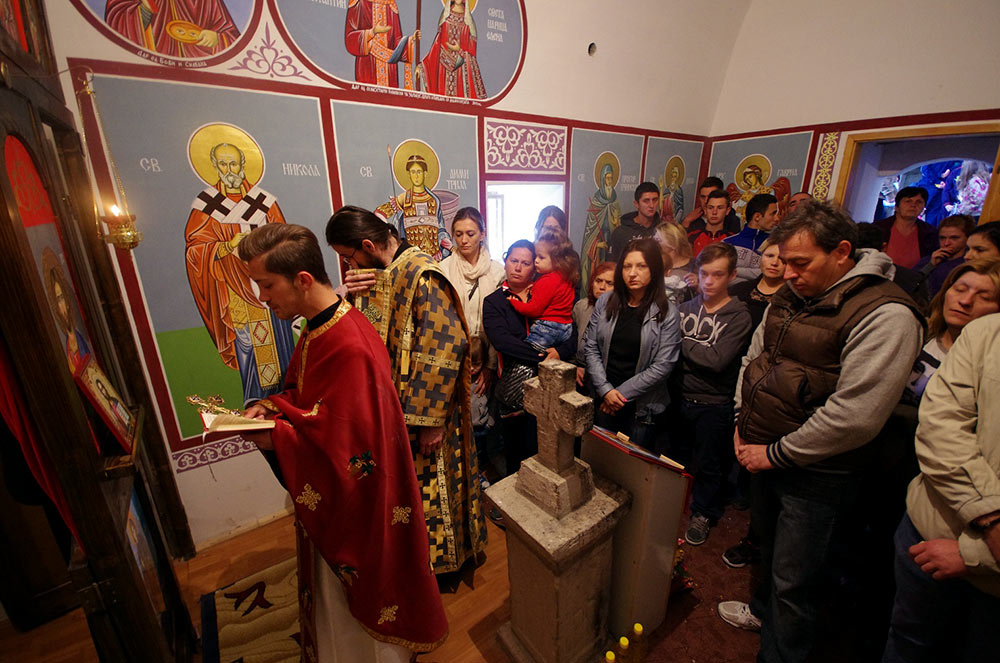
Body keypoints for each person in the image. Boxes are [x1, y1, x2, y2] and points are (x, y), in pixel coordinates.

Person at [719, 200, 924, 662]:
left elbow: (856, 415)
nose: (788, 273)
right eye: (784, 260)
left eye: (801, 263)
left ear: (842, 252)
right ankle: (763, 617)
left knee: (795, 582)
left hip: (818, 474)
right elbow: (755, 360)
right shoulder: (793, 294)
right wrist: (740, 420)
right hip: (762, 451)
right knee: (770, 554)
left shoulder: (886, 313)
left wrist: (774, 453)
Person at [236, 223, 447, 661]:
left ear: (303, 279)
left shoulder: (348, 343)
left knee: (358, 622)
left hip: (363, 506)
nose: (262, 297)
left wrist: (275, 437)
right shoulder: (320, 326)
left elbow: (353, 453)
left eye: (267, 285)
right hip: (340, 499)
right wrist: (272, 407)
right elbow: (308, 398)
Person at [326, 206, 486, 575]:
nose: (349, 265)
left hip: (427, 416)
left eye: (349, 257)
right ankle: (415, 563)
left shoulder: (423, 275)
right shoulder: (385, 273)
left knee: (433, 488)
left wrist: (429, 422)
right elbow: (375, 333)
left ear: (368, 246)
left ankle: (443, 566)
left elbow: (443, 348)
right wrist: (350, 297)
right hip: (396, 411)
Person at [882, 313, 1000, 662]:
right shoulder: (987, 332)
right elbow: (939, 426)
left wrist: (977, 555)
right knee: (907, 642)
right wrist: (992, 519)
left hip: (991, 576)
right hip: (929, 529)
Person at [185, 141, 295, 405]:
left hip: (273, 292)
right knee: (249, 349)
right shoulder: (207, 206)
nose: (229, 170)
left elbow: (288, 242)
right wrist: (226, 246)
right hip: (236, 291)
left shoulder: (264, 202)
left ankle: (289, 399)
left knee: (281, 349)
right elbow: (195, 250)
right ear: (214, 166)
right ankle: (256, 402)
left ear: (243, 165)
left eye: (233, 163)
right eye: (223, 164)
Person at [673, 242, 752, 546]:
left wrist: (680, 342)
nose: (708, 281)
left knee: (710, 465)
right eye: (704, 273)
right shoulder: (686, 308)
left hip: (714, 402)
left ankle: (704, 513)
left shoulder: (738, 315)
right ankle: (671, 504)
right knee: (676, 457)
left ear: (732, 275)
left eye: (717, 275)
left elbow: (717, 361)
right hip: (679, 394)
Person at [483, 240, 577, 477]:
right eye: (513, 261)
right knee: (516, 455)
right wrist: (543, 356)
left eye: (525, 263)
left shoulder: (546, 290)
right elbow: (504, 342)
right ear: (505, 262)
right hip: (515, 390)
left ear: (534, 267)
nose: (518, 267)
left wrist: (561, 352)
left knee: (549, 453)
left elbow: (570, 330)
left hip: (550, 389)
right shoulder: (495, 302)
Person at [722, 238, 786, 569]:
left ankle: (745, 495)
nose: (774, 262)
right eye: (769, 255)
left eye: (782, 257)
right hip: (736, 366)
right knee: (734, 435)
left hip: (771, 381)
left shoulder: (788, 298)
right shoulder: (743, 290)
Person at [583, 238, 681, 450]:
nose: (632, 273)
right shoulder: (606, 301)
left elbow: (663, 366)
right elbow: (591, 347)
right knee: (600, 459)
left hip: (641, 408)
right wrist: (605, 390)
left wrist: (618, 396)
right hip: (604, 397)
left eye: (641, 266)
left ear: (654, 269)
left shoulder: (667, 312)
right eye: (627, 266)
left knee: (632, 464)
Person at [439, 207, 505, 482]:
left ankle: (481, 468)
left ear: (482, 234)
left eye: (470, 233)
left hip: (487, 356)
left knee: (483, 417)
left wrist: (488, 365)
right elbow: (441, 321)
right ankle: (460, 470)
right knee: (456, 418)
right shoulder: (443, 270)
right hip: (455, 359)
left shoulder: (497, 272)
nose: (464, 240)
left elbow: (500, 325)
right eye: (458, 234)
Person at [508, 231, 579, 352]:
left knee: (527, 353)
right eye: (536, 256)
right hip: (566, 328)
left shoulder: (547, 280)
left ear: (557, 260)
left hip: (548, 328)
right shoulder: (565, 277)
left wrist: (514, 302)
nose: (536, 261)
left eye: (541, 257)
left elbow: (533, 310)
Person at [375, 154, 452, 260]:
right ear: (409, 174)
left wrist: (444, 239)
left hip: (434, 259)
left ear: (425, 173)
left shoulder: (434, 201)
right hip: (412, 259)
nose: (416, 176)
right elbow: (379, 213)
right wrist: (391, 236)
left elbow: (440, 227)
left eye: (419, 172)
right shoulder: (403, 199)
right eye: (413, 172)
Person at [104, 0, 239, 57]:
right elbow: (116, 24)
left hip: (200, 74)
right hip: (152, 73)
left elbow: (232, 36)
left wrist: (217, 38)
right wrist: (144, 11)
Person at [344, 0, 419, 88]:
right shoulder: (359, 2)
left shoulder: (391, 5)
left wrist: (411, 40)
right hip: (368, 67)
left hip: (390, 71)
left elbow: (396, 42)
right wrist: (372, 32)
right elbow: (350, 38)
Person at [422, 0, 486, 99]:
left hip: (461, 70)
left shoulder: (468, 19)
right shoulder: (446, 15)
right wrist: (422, 66)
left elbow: (472, 50)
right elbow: (437, 44)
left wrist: (459, 50)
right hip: (443, 69)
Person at [728, 238, 786, 333]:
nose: (774, 263)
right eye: (769, 256)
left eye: (782, 259)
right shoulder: (737, 290)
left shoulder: (792, 299)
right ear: (761, 257)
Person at [874, 185, 939, 268]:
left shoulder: (930, 233)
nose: (913, 205)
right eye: (908, 201)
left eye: (919, 202)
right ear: (896, 207)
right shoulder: (878, 229)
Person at [573, 261, 615, 386]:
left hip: (604, 376)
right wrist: (574, 366)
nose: (602, 287)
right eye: (598, 281)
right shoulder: (582, 306)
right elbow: (570, 339)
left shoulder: (620, 313)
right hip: (577, 368)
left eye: (609, 283)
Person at [581, 163, 622, 288]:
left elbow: (618, 226)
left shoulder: (614, 200)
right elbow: (589, 232)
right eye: (607, 178)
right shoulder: (596, 201)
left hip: (611, 245)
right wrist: (597, 245)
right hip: (599, 248)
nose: (610, 181)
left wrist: (616, 222)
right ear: (602, 180)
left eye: (611, 178)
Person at [914, 215, 976, 298]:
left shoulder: (970, 263)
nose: (946, 243)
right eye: (942, 238)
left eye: (954, 238)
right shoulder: (929, 259)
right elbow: (909, 283)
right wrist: (930, 266)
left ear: (968, 238)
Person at [724, 193, 779, 282]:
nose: (777, 219)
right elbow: (722, 271)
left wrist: (734, 270)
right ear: (757, 217)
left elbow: (768, 272)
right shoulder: (727, 243)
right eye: (773, 214)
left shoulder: (775, 245)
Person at [609, 182, 661, 261]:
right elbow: (612, 264)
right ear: (636, 204)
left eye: (655, 200)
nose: (651, 205)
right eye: (646, 201)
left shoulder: (663, 229)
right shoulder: (621, 233)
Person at [688, 190, 736, 257]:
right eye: (710, 208)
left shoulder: (733, 240)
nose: (714, 212)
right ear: (705, 210)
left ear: (727, 210)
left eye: (719, 208)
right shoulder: (691, 237)